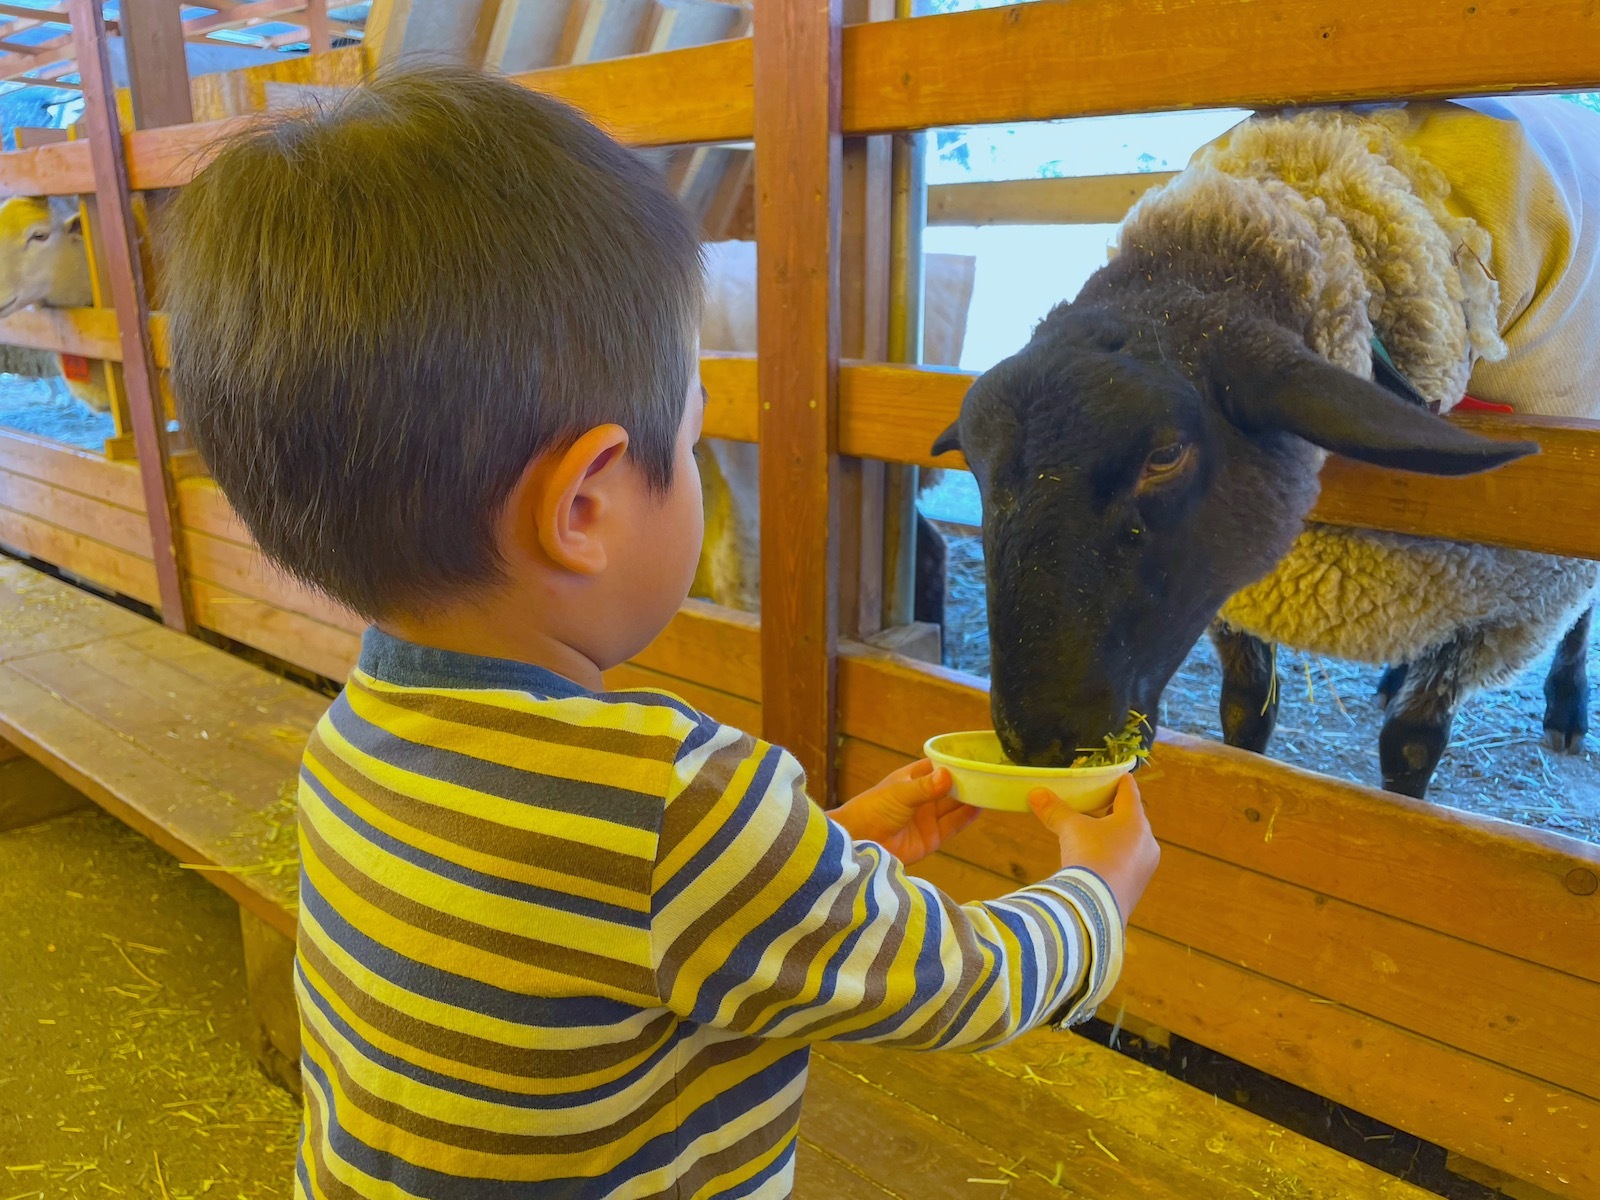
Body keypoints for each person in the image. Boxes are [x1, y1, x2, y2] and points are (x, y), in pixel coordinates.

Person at [160, 65, 1161, 1200]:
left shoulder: (360, 733)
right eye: (687, 445)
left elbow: (593, 924)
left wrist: (821, 850)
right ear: (584, 506)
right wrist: (1098, 893)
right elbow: (955, 983)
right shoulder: (675, 802)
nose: (693, 470)